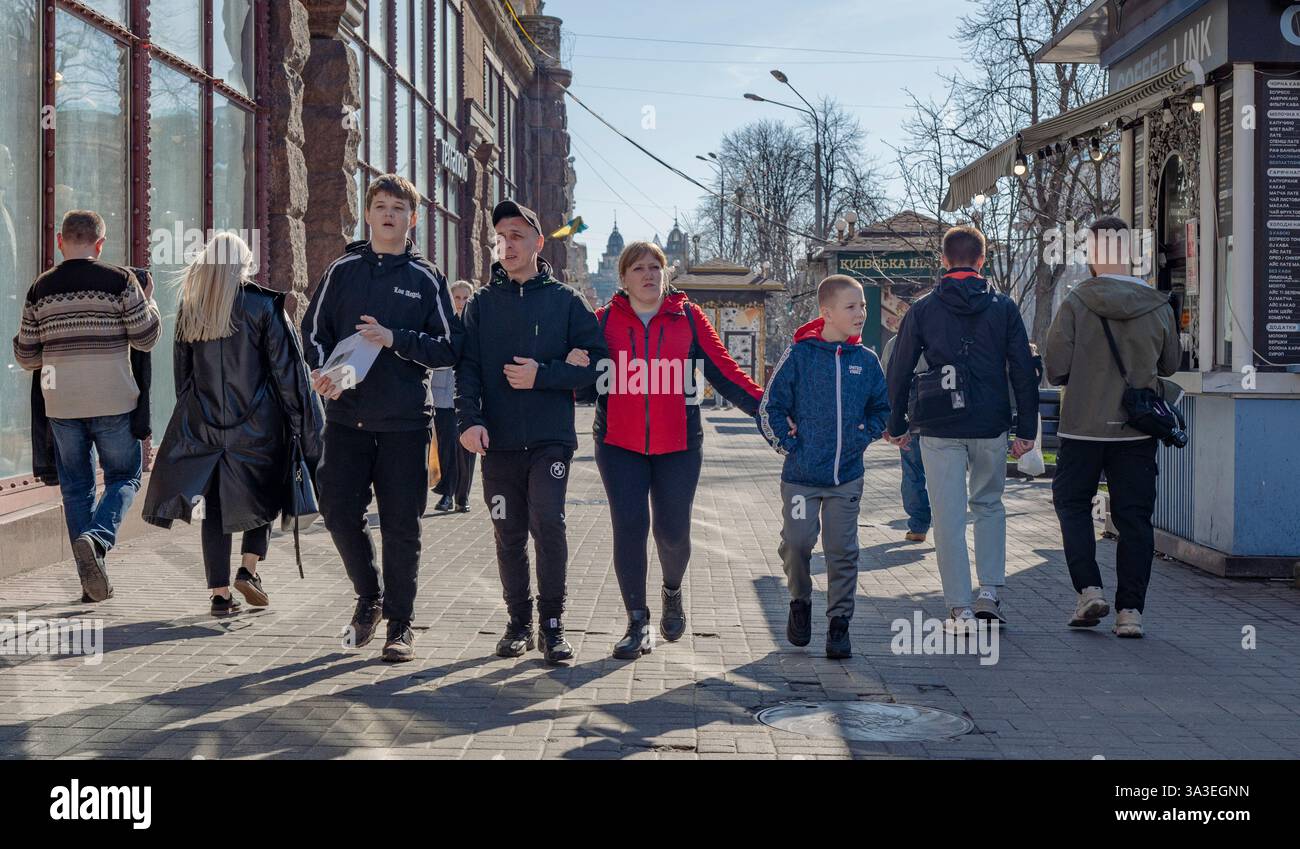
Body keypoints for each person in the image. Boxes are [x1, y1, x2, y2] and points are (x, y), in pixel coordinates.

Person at [302, 173, 463, 663]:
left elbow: (451, 347)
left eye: (399, 207)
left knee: (402, 525)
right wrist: (321, 373)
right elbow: (313, 332)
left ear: (412, 219)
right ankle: (369, 596)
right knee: (336, 512)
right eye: (381, 205)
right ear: (367, 214)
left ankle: (400, 625)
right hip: (347, 419)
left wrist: (396, 339)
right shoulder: (342, 271)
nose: (389, 214)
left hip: (406, 424)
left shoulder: (426, 277)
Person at [586, 240, 763, 659]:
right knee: (629, 529)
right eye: (638, 268)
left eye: (655, 266)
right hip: (617, 444)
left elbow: (724, 370)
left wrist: (767, 411)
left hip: (679, 445)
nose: (648, 274)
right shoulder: (604, 321)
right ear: (623, 277)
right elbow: (575, 373)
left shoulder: (687, 318)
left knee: (673, 532)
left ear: (665, 273)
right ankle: (636, 622)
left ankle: (672, 589)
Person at [456, 199, 606, 665]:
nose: (509, 243)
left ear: (539, 243)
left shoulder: (564, 301)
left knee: (549, 524)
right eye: (501, 235)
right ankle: (518, 623)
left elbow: (599, 364)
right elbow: (468, 368)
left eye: (519, 234)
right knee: (507, 532)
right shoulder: (481, 304)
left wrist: (545, 375)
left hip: (550, 440)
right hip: (496, 442)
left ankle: (553, 625)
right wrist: (468, 420)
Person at [142, 234, 323, 615]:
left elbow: (183, 378)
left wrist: (195, 419)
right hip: (260, 426)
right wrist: (302, 425)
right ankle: (249, 568)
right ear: (243, 264)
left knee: (216, 510)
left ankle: (220, 595)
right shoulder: (263, 306)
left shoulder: (193, 308)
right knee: (267, 498)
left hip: (205, 425)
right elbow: (289, 372)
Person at [884, 225, 1038, 631]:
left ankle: (959, 607)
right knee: (988, 505)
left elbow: (899, 369)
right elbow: (1023, 369)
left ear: (944, 260)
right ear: (982, 260)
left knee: (948, 516)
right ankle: (989, 592)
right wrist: (1027, 428)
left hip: (938, 424)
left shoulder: (922, 309)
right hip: (990, 423)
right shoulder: (1004, 308)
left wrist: (895, 423)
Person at [12, 210, 161, 602]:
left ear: (60, 242)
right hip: (114, 398)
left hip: (60, 404)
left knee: (76, 489)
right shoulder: (120, 280)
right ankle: (97, 539)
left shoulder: (39, 288)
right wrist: (150, 304)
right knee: (125, 478)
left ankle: (90, 582)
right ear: (100, 244)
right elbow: (145, 339)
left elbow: (27, 356)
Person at [1044, 216, 1181, 638]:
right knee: (1135, 519)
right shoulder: (1158, 306)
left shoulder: (1074, 302)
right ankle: (1130, 613)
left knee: (1072, 505)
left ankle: (1088, 590)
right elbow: (1170, 365)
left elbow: (1055, 368)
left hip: (1082, 427)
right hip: (1136, 432)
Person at [759, 274, 891, 659]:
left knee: (842, 550)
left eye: (863, 306)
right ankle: (800, 601)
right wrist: (789, 444)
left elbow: (881, 408)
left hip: (846, 478)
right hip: (801, 477)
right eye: (851, 307)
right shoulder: (799, 355)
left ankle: (839, 625)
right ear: (826, 313)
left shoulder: (865, 361)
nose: (860, 313)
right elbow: (771, 407)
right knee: (798, 543)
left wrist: (862, 436)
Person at [881, 333, 931, 543]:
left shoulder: (895, 343)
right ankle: (948, 527)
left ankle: (918, 525)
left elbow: (885, 384)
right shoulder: (941, 336)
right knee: (946, 476)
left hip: (908, 420)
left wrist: (888, 424)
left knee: (912, 474)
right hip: (942, 421)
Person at [431, 279, 476, 513]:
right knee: (447, 447)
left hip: (468, 397)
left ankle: (463, 496)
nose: (460, 303)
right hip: (442, 398)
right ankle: (446, 494)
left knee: (466, 449)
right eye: (457, 298)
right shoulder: (443, 324)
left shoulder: (477, 326)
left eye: (465, 298)